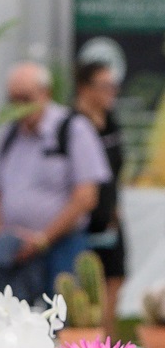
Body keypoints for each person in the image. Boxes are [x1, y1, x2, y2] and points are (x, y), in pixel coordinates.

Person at [0, 60, 110, 306]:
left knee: (63, 320)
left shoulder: (73, 128)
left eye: (26, 98)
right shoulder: (10, 135)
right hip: (16, 252)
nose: (19, 107)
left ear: (45, 94)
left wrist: (42, 239)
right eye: (13, 99)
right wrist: (5, 237)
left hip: (63, 246)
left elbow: (86, 197)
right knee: (12, 324)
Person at [75, 58, 126, 302]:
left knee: (114, 279)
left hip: (109, 219)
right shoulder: (74, 126)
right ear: (85, 87)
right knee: (85, 290)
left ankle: (109, 339)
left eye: (112, 85)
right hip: (83, 222)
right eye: (104, 85)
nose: (111, 92)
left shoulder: (112, 124)